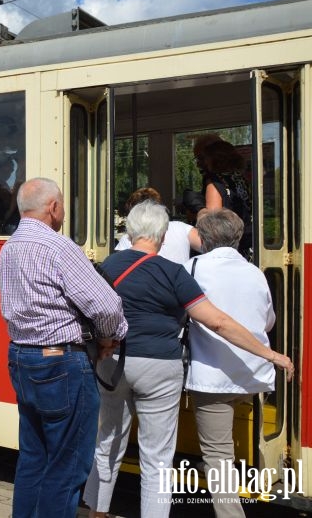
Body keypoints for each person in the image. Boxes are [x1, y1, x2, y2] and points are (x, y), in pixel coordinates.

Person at [83, 201, 293, 518]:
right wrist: (270, 353)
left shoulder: (106, 267)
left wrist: (100, 346)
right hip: (160, 368)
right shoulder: (174, 273)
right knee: (157, 457)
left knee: (107, 441)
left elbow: (88, 312)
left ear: (129, 232)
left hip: (114, 363)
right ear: (164, 235)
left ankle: (96, 513)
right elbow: (218, 322)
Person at [0, 177, 128, 518]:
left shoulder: (8, 248)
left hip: (22, 357)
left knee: (33, 459)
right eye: (63, 206)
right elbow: (107, 306)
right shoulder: (58, 247)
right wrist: (108, 337)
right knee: (67, 465)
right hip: (60, 362)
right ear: (53, 208)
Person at [184, 209, 278, 517]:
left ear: (204, 238)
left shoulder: (193, 267)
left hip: (213, 375)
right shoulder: (255, 272)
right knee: (221, 448)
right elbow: (267, 322)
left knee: (217, 455)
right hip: (251, 373)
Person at [115, 187, 202, 263]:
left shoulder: (128, 238)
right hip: (180, 280)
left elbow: (119, 266)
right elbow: (210, 247)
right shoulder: (181, 228)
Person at [200, 139, 253, 256]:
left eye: (205, 158)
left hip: (227, 243)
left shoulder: (216, 182)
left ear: (214, 159)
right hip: (246, 238)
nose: (204, 163)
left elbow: (213, 222)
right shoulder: (241, 178)